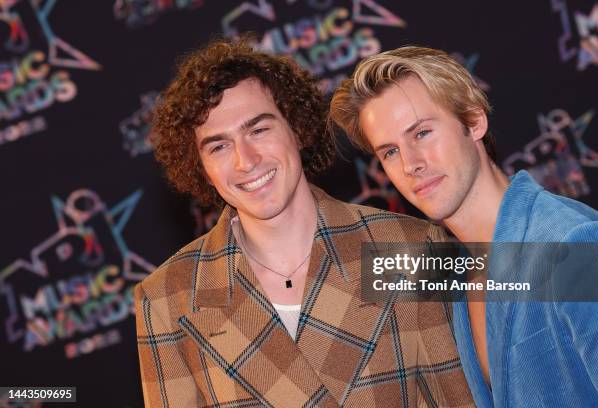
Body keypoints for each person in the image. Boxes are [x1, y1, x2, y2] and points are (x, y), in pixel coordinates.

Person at [134, 39, 475, 407]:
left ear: (296, 128)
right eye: (219, 146)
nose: (245, 161)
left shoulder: (409, 247)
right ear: (201, 168)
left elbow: (456, 397)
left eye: (258, 130)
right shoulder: (169, 298)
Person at [329, 45, 598, 407]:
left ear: (474, 121)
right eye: (390, 152)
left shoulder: (573, 244)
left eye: (421, 133)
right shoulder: (455, 270)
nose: (410, 164)